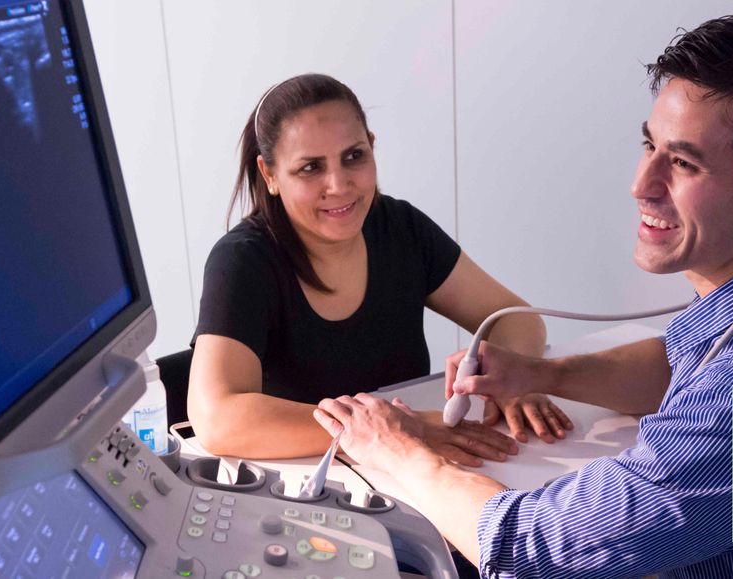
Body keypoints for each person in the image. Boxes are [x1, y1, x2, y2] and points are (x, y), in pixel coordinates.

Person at [314, 13, 733, 578]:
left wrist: (397, 453)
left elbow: (536, 546)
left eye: (685, 164)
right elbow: (690, 366)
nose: (642, 184)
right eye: (650, 145)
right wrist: (542, 372)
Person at [188, 74, 564, 463]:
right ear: (270, 175)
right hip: (310, 483)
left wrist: (516, 376)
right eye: (310, 168)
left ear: (372, 146)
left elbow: (516, 320)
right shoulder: (242, 260)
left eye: (354, 156)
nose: (338, 184)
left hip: (415, 468)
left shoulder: (400, 227)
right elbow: (220, 420)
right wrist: (394, 431)